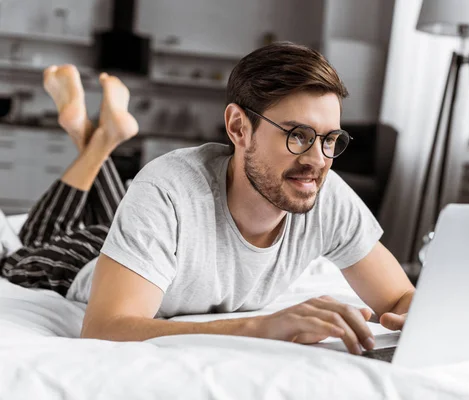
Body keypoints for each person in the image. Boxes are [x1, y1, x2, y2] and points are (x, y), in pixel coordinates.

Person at [78, 42, 415, 355]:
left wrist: (418, 317)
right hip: (77, 258)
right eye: (297, 135)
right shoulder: (168, 189)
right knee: (52, 230)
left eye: (330, 140)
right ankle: (84, 133)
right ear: (239, 127)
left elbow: (401, 297)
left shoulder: (326, 195)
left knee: (111, 203)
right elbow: (104, 328)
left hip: (151, 239)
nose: (318, 160)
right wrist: (264, 327)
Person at [0, 65, 139, 294]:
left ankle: (92, 134)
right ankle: (97, 135)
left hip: (123, 242)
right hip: (116, 254)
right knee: (33, 246)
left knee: (119, 228)